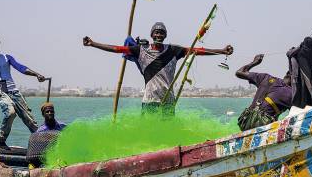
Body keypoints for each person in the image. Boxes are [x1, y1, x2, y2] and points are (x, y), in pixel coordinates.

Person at [83, 22, 233, 113]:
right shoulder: (141, 50)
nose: (159, 35)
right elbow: (117, 49)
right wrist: (93, 43)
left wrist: (221, 51)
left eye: (162, 33)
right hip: (150, 101)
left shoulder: (174, 50)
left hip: (168, 101)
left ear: (165, 36)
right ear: (152, 35)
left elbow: (196, 51)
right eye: (156, 33)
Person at [235, 53, 294, 130]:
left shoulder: (266, 78)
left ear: (286, 74)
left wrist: (254, 62)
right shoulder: (291, 93)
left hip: (245, 121)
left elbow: (239, 72)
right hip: (263, 127)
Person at [27, 101, 67, 167]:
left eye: (52, 111)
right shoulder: (40, 132)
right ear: (43, 114)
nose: (50, 113)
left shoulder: (63, 126)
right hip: (49, 158)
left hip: (62, 154)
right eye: (47, 112)